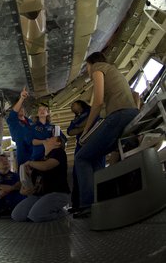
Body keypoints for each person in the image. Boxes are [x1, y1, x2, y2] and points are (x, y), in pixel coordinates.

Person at [74, 52, 139, 218]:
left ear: (91, 63)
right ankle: (102, 199)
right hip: (131, 116)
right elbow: (136, 95)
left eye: (86, 67)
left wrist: (86, 132)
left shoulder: (98, 68)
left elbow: (98, 102)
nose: (87, 71)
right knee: (95, 156)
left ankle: (88, 204)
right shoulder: (115, 71)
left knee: (81, 157)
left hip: (118, 116)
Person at [11, 136, 70, 222]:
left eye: (52, 138)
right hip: (39, 195)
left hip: (57, 193)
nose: (48, 138)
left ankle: (61, 213)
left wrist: (30, 163)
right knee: (17, 215)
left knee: (36, 216)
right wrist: (24, 189)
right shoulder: (39, 159)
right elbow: (32, 181)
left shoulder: (59, 153)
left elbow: (46, 166)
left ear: (58, 143)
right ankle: (43, 210)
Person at [6, 87, 33, 167]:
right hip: (23, 153)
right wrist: (21, 98)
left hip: (34, 152)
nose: (21, 109)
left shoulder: (30, 122)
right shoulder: (13, 121)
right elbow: (14, 112)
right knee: (23, 174)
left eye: (22, 108)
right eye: (19, 108)